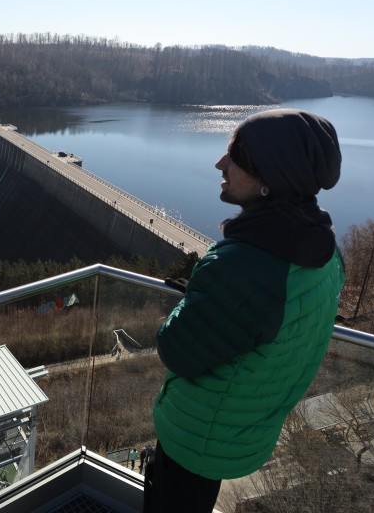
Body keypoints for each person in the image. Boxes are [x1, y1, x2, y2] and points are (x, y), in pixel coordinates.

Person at [144, 109, 345, 512]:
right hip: (243, 427)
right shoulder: (325, 252)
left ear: (269, 179)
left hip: (197, 436)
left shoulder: (247, 265)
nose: (220, 164)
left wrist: (196, 296)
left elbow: (176, 348)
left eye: (234, 158)